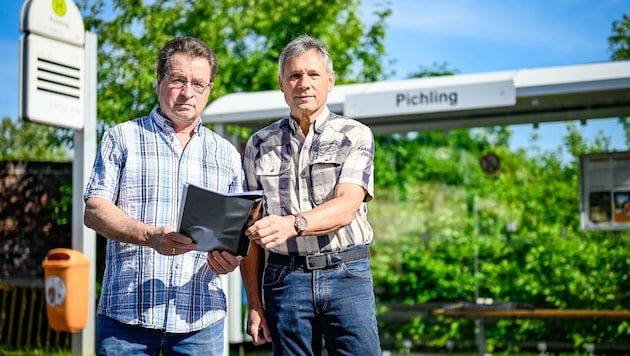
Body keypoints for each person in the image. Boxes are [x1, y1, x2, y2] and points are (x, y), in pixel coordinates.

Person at [83, 36, 244, 355]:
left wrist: (232, 259)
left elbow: (235, 231)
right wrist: (150, 235)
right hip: (125, 318)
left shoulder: (226, 154)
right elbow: (94, 209)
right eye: (178, 80)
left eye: (198, 83)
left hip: (200, 319)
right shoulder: (122, 137)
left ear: (209, 89)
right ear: (159, 80)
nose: (188, 92)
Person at [240, 34, 381, 355]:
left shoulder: (354, 135)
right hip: (284, 278)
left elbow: (347, 206)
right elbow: (248, 231)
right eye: (294, 75)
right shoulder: (259, 144)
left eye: (313, 74)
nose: (303, 83)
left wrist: (292, 224)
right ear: (282, 84)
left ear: (330, 81)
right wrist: (254, 304)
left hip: (347, 273)